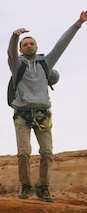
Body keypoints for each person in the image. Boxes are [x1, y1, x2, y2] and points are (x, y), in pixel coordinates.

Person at [8, 10, 87, 202]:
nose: (28, 46)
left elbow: (62, 45)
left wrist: (78, 24)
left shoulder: (46, 62)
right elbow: (10, 53)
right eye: (24, 45)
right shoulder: (17, 65)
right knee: (24, 152)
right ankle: (26, 186)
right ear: (20, 49)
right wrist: (14, 36)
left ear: (36, 46)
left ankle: (43, 188)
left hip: (43, 114)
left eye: (31, 43)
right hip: (22, 114)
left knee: (47, 152)